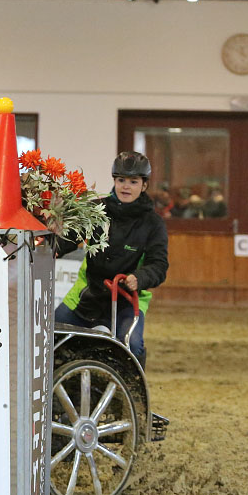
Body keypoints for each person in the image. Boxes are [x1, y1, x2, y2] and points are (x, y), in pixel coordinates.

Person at [55, 151, 169, 369]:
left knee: (132, 346)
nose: (126, 186)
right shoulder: (95, 211)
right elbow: (67, 240)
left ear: (144, 185)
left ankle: (132, 397)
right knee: (52, 335)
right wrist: (50, 244)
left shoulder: (154, 224)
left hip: (127, 300)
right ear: (114, 181)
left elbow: (159, 265)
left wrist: (140, 277)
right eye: (121, 180)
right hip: (86, 295)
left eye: (133, 181)